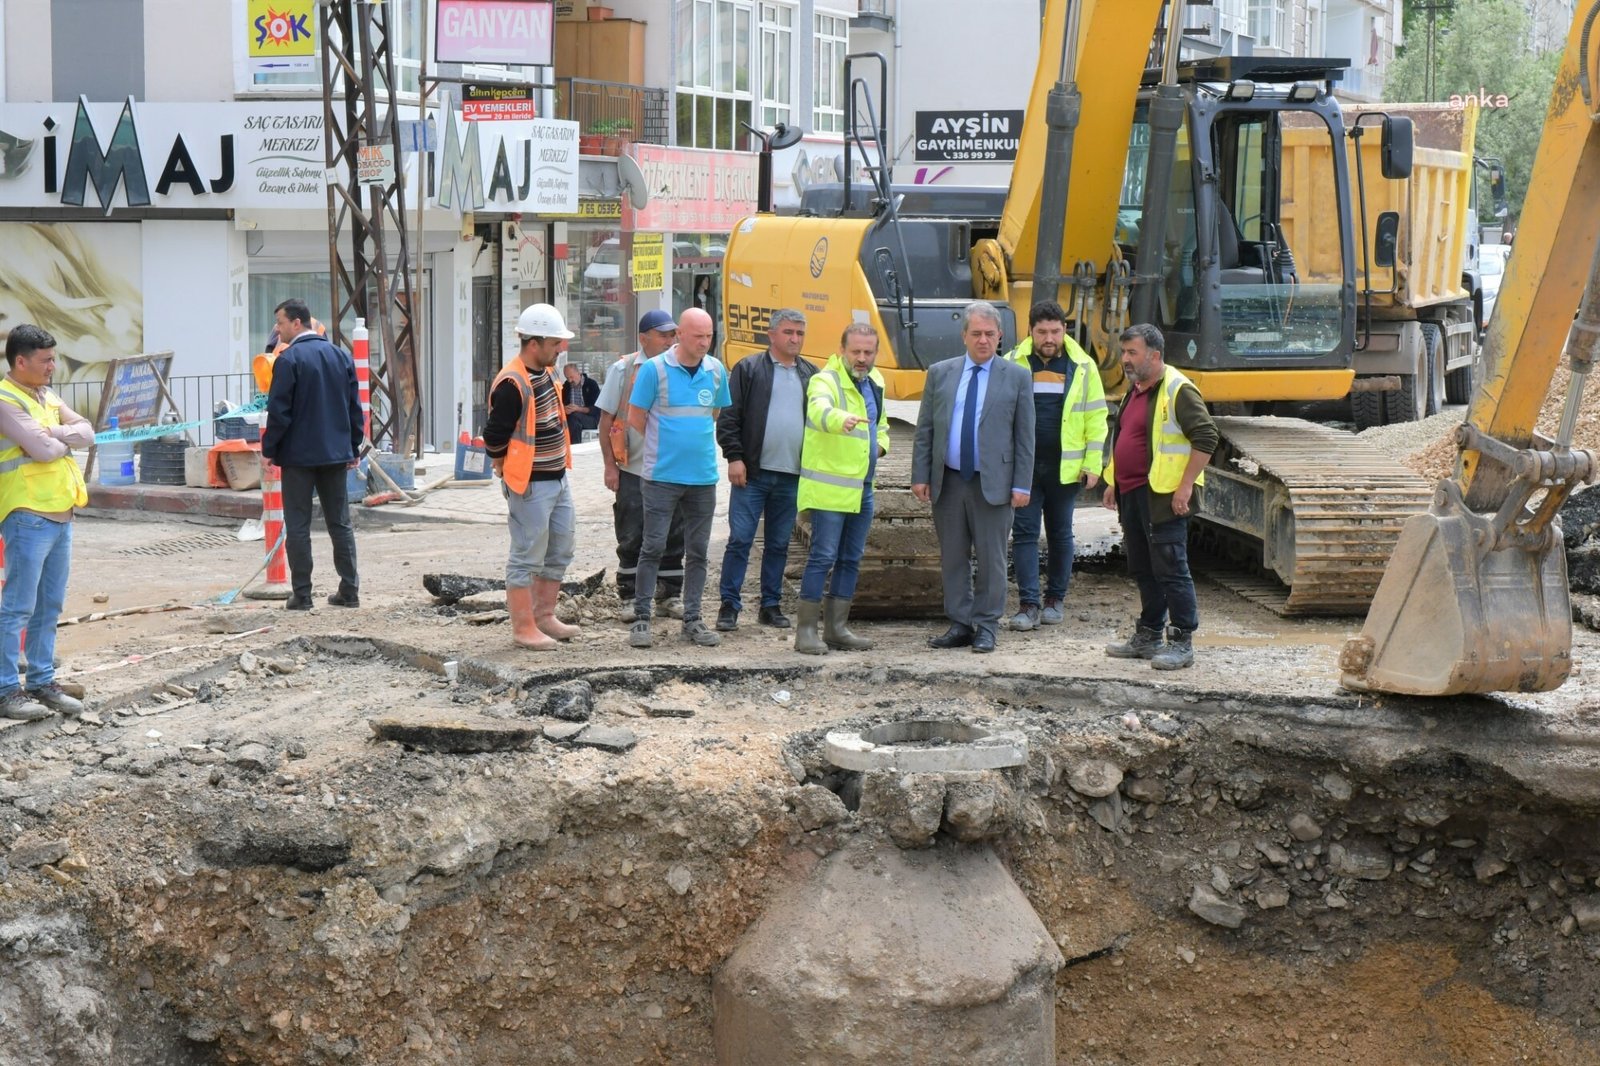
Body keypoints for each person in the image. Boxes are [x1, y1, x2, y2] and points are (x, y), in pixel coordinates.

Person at [911, 301, 1035, 654]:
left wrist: (1021, 484)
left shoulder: (1017, 376)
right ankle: (960, 623)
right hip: (949, 481)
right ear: (964, 335)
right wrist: (921, 474)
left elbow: (1025, 436)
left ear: (1000, 336)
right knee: (953, 556)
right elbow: (926, 428)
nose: (983, 340)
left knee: (992, 558)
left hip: (993, 483)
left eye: (990, 334)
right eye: (976, 333)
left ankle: (987, 625)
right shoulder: (940, 373)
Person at [1101, 323, 1218, 670]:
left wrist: (1185, 486)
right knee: (1143, 568)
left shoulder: (1178, 389)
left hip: (1164, 498)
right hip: (1134, 494)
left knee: (1171, 569)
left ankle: (1181, 642)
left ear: (1154, 355)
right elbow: (1128, 438)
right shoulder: (1135, 389)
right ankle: (1149, 634)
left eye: (1132, 352)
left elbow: (1206, 437)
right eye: (1124, 352)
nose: (1125, 359)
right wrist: (1113, 481)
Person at [0, 324, 91, 720]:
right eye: (46, 360)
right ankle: (6, 690)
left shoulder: (46, 396)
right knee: (18, 606)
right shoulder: (5, 400)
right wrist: (59, 440)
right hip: (27, 514)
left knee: (49, 605)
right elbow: (41, 451)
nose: (53, 366)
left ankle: (41, 681)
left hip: (60, 513)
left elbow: (88, 433)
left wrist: (54, 432)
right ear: (21, 361)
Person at [626, 307, 731, 649]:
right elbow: (635, 417)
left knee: (698, 551)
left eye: (709, 336)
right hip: (661, 476)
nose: (704, 342)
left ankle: (693, 619)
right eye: (698, 336)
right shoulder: (654, 370)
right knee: (653, 546)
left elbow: (714, 413)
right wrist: (665, 445)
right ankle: (642, 618)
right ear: (680, 335)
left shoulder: (716, 371)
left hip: (703, 477)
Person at [483, 304, 581, 651]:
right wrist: (506, 468)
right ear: (534, 343)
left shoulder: (548, 372)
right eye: (555, 343)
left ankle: (544, 616)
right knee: (526, 555)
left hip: (557, 477)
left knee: (561, 547)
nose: (560, 349)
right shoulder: (512, 383)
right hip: (530, 483)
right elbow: (494, 437)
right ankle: (523, 628)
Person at [1005, 300, 1108, 630]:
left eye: (1054, 331)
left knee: (1060, 533)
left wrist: (1093, 464)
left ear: (1065, 329)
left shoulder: (1083, 366)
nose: (1049, 338)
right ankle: (1028, 604)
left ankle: (1055, 599)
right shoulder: (1012, 363)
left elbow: (1096, 418)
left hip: (1066, 468)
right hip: (1025, 468)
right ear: (1030, 331)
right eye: (1041, 332)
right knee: (1024, 533)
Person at [715, 308, 817, 631]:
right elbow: (729, 417)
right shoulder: (748, 369)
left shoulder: (811, 375)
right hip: (752, 475)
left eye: (800, 333)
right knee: (740, 540)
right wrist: (734, 457)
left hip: (791, 476)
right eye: (788, 332)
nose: (795, 339)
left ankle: (770, 605)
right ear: (771, 335)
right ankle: (729, 606)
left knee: (778, 544)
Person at [793, 323, 888, 656]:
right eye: (855, 351)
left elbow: (882, 426)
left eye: (868, 352)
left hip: (862, 488)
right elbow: (819, 410)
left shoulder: (875, 382)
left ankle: (837, 629)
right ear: (841, 350)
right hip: (829, 490)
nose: (862, 358)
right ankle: (806, 631)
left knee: (851, 558)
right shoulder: (825, 381)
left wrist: (881, 447)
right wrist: (839, 420)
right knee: (823, 557)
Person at [262, 298, 362, 612]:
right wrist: (353, 447)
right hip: (335, 454)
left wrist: (269, 450)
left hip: (298, 458)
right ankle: (349, 590)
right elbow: (354, 407)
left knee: (298, 525)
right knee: (340, 523)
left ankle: (302, 595)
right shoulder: (340, 356)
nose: (277, 330)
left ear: (296, 323)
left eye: (280, 323)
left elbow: (279, 412)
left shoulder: (288, 360)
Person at [596, 310, 688, 621]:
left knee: (674, 533)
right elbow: (606, 420)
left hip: (672, 468)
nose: (670, 340)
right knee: (632, 533)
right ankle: (630, 596)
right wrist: (610, 466)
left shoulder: (681, 367)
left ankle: (669, 595)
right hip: (633, 467)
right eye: (663, 335)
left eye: (673, 334)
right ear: (643, 338)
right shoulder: (623, 370)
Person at [561, 362, 601, 444]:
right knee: (573, 421)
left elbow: (596, 409)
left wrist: (578, 409)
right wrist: (564, 409)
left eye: (571, 377)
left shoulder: (591, 384)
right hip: (572, 418)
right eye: (567, 378)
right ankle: (574, 447)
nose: (569, 380)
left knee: (574, 416)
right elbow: (561, 403)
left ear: (578, 372)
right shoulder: (566, 386)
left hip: (591, 419)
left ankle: (571, 447)